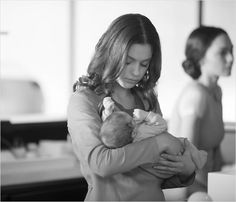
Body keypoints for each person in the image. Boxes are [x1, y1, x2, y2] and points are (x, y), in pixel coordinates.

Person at [67, 13, 197, 201]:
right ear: (111, 53)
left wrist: (185, 170)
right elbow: (101, 163)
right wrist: (158, 143)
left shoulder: (145, 100)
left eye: (144, 64)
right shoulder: (84, 100)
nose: (136, 72)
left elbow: (156, 176)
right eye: (128, 62)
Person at [168, 26, 234, 197]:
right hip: (182, 187)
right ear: (201, 58)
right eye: (223, 52)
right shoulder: (196, 95)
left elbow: (215, 153)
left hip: (206, 184)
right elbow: (184, 164)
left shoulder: (216, 91)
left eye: (232, 51)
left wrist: (224, 185)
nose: (231, 58)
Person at [99, 97, 207, 179]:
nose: (133, 117)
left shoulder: (125, 140)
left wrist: (107, 112)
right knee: (187, 144)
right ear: (133, 132)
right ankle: (200, 160)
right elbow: (162, 125)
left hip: (160, 168)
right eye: (131, 119)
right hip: (178, 150)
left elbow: (111, 126)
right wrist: (147, 116)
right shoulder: (143, 132)